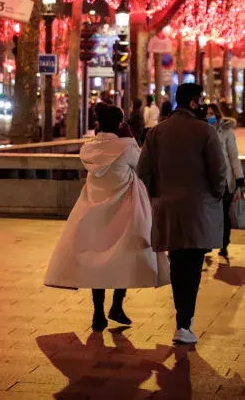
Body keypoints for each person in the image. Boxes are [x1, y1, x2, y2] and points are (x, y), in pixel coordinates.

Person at [45, 104, 168, 330]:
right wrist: (131, 139)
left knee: (97, 261)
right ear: (120, 124)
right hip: (125, 211)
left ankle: (98, 313)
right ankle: (117, 306)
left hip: (94, 212)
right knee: (124, 257)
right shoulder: (126, 146)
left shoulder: (89, 148)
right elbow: (143, 165)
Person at [138, 82, 227, 346]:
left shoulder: (156, 132)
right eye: (201, 99)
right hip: (198, 209)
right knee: (193, 266)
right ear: (193, 102)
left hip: (167, 209)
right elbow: (219, 172)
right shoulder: (205, 131)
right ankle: (184, 323)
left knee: (177, 263)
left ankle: (182, 321)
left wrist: (158, 195)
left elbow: (143, 172)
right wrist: (216, 194)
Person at [211, 102, 244, 263]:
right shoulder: (201, 130)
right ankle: (208, 242)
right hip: (207, 181)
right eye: (206, 113)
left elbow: (233, 155)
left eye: (211, 113)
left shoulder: (226, 132)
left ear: (217, 114)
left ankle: (224, 243)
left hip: (224, 180)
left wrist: (239, 176)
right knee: (208, 213)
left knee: (223, 213)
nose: (209, 116)